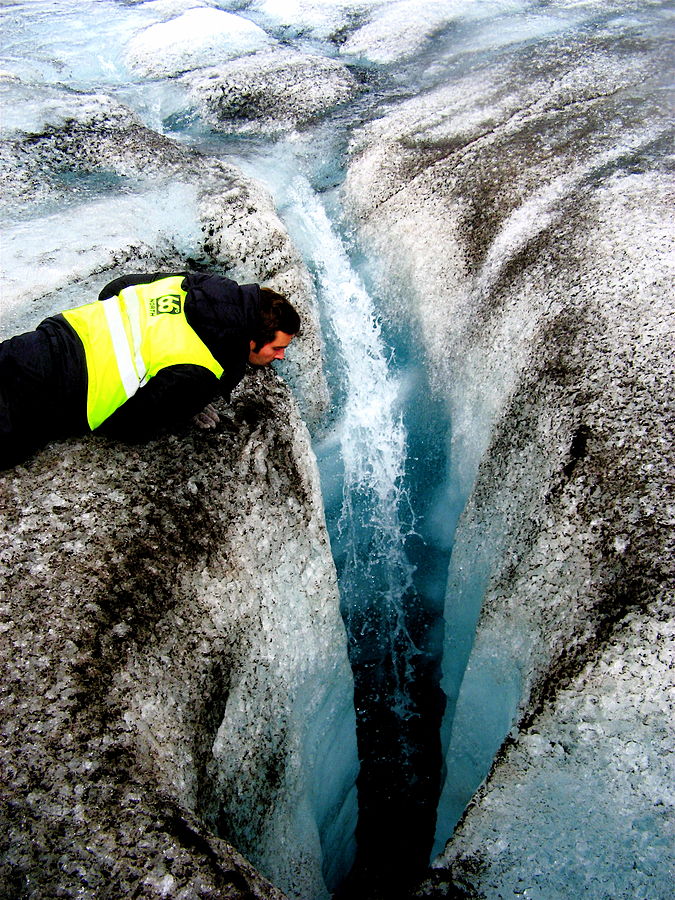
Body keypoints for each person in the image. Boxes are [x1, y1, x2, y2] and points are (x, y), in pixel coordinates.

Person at [0, 270, 300, 470]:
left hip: (57, 335)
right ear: (251, 341)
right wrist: (184, 405)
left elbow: (116, 287)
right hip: (59, 393)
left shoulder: (189, 285)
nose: (281, 356)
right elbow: (129, 426)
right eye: (276, 348)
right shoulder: (202, 369)